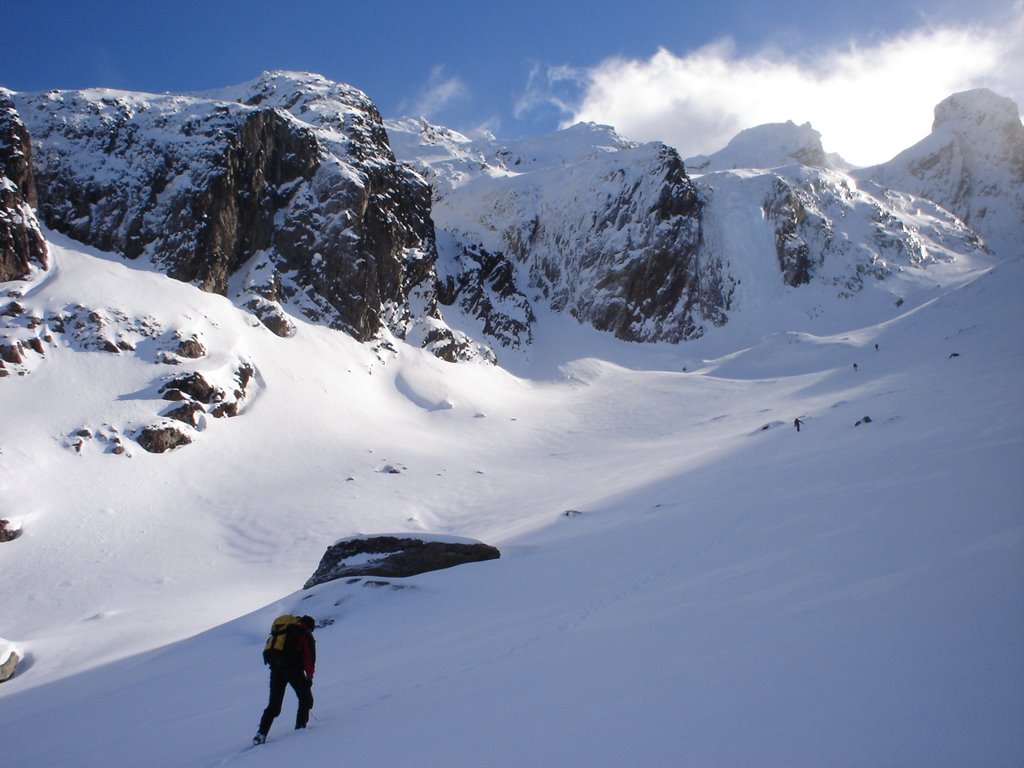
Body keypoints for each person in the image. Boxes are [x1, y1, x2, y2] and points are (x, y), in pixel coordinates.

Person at [254, 615, 316, 745]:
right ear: (309, 627)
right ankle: (300, 729)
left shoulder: (283, 630)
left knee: (274, 706)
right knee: (305, 699)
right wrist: (309, 677)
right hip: (293, 670)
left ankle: (261, 734)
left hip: (276, 669)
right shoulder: (304, 633)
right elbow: (309, 658)